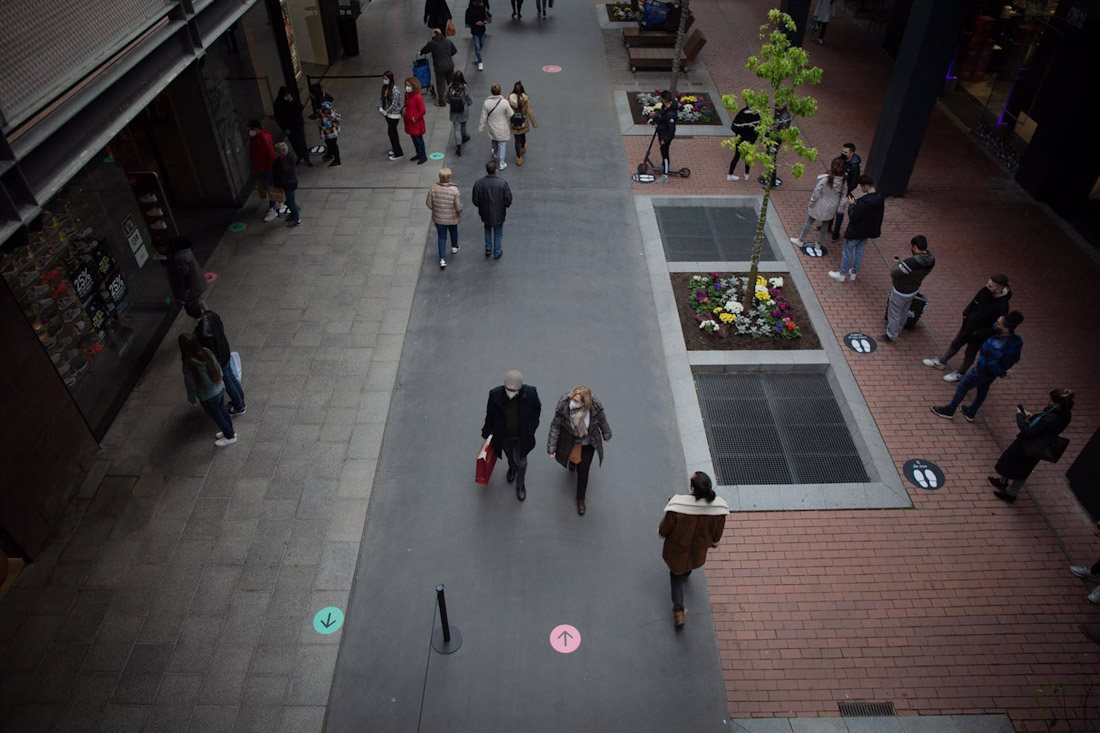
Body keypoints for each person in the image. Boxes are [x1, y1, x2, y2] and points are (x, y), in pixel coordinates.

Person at [659, 472, 728, 629]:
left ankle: (679, 611)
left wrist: (662, 532)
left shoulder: (677, 507)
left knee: (675, 575)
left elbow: (664, 530)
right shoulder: (718, 510)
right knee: (689, 564)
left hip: (677, 550)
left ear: (692, 488)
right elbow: (716, 537)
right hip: (698, 552)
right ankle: (686, 573)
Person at [931, 311, 1024, 421]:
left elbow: (991, 363)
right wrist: (1002, 371)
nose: (995, 324)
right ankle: (971, 412)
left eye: (999, 323)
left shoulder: (996, 345)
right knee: (982, 391)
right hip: (992, 374)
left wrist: (999, 372)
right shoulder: (1016, 341)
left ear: (1006, 328)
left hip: (982, 371)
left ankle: (950, 410)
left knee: (962, 386)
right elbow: (1014, 359)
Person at [989, 389, 1073, 504]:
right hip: (1038, 445)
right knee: (1018, 465)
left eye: (1051, 400)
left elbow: (1028, 431)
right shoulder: (1065, 415)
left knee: (1019, 467)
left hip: (1031, 445)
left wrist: (1020, 417)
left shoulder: (1049, 418)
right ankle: (1004, 483)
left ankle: (1011, 493)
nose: (1049, 401)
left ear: (1057, 403)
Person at [922, 275, 1011, 383]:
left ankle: (960, 373)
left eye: (990, 286)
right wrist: (965, 314)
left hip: (979, 335)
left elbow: (996, 326)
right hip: (967, 326)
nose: (987, 287)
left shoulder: (1002, 307)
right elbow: (974, 302)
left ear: (999, 289)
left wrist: (978, 333)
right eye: (988, 284)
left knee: (970, 353)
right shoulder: (985, 290)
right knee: (955, 343)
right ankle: (941, 362)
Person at [547, 387, 612, 516]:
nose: (573, 402)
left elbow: (602, 420)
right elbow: (555, 426)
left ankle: (580, 499)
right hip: (570, 439)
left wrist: (606, 434)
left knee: (583, 470)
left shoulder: (594, 406)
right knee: (572, 457)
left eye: (577, 401)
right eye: (573, 399)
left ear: (585, 403)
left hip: (588, 442)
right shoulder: (564, 405)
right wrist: (551, 447)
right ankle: (572, 463)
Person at [481, 370, 542, 501]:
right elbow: (490, 415)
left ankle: (520, 484)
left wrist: (531, 428)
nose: (511, 392)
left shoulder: (531, 394)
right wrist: (486, 432)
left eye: (514, 390)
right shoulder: (495, 395)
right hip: (504, 436)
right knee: (510, 455)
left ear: (520, 388)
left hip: (522, 436)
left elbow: (537, 409)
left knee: (522, 462)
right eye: (508, 389)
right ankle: (512, 468)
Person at [185, 301, 246, 416]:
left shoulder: (201, 333)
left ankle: (239, 406)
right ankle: (240, 400)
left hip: (220, 359)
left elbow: (210, 352)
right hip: (225, 350)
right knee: (231, 377)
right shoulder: (211, 315)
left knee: (228, 381)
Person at [179, 333, 236, 447]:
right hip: (219, 388)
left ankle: (229, 436)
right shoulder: (206, 352)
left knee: (217, 416)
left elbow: (191, 385)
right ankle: (230, 431)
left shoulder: (188, 364)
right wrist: (220, 381)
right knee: (223, 411)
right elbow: (218, 368)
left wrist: (192, 399)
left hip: (207, 396)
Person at [828, 174, 883, 282]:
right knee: (859, 252)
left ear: (865, 186)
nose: (861, 189)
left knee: (847, 252)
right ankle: (853, 272)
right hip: (867, 231)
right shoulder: (879, 198)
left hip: (855, 232)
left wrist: (852, 205)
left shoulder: (863, 202)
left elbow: (853, 217)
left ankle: (841, 274)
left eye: (861, 186)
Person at [883, 235, 935, 342]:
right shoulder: (931, 259)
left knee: (894, 313)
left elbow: (894, 273)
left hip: (900, 291)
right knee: (904, 310)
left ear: (915, 247)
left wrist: (897, 264)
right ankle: (899, 328)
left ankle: (891, 335)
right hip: (914, 289)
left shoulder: (912, 262)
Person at [789, 157, 846, 255]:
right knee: (825, 224)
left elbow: (816, 192)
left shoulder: (825, 179)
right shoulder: (843, 181)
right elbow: (843, 195)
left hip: (820, 203)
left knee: (810, 220)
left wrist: (811, 203)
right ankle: (818, 244)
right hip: (832, 206)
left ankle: (801, 240)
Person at [472, 160, 512, 259]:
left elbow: (475, 200)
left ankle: (488, 248)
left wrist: (481, 205)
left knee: (487, 227)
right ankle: (497, 252)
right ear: (496, 170)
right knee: (498, 232)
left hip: (485, 212)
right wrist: (504, 206)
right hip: (499, 212)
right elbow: (508, 199)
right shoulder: (503, 183)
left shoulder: (479, 183)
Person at [426, 167, 462, 269]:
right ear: (449, 177)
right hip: (452, 217)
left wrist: (435, 209)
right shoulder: (454, 190)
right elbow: (458, 207)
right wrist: (459, 211)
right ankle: (454, 246)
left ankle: (442, 259)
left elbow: (428, 203)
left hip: (439, 218)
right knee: (453, 231)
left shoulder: (433, 188)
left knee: (441, 237)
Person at [829, 143, 862, 241]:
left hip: (844, 192)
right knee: (831, 208)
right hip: (836, 190)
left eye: (845, 152)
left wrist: (846, 190)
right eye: (842, 151)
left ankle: (836, 232)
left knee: (839, 212)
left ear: (851, 153)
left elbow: (854, 182)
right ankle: (828, 225)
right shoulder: (841, 160)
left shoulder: (854, 167)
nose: (843, 154)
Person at [247, 120, 279, 221]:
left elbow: (271, 154)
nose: (250, 131)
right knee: (268, 187)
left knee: (270, 187)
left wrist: (268, 167)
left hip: (266, 168)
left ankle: (272, 208)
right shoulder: (254, 138)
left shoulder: (263, 139)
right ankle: (275, 203)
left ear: (257, 129)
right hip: (261, 167)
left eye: (252, 129)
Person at [273, 87, 312, 167]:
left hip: (298, 124)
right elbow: (279, 118)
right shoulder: (278, 104)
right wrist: (285, 128)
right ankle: (300, 156)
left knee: (302, 142)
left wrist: (292, 101)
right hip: (289, 127)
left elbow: (300, 108)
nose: (288, 97)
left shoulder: (293, 101)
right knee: (294, 142)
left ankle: (306, 158)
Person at [420, 29, 457, 107]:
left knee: (441, 84)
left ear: (434, 34)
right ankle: (453, 97)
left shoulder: (432, 43)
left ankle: (442, 101)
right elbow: (454, 50)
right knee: (450, 82)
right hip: (450, 65)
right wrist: (448, 56)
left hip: (439, 67)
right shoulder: (447, 41)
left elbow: (425, 50)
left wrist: (421, 52)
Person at [757, 104, 791, 188]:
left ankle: (771, 182)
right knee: (771, 158)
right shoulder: (780, 113)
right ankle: (770, 178)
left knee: (771, 159)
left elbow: (781, 131)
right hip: (773, 140)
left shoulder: (784, 116)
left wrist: (772, 139)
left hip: (774, 141)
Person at [479, 83, 512, 170]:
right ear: (500, 91)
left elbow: (483, 116)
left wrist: (481, 126)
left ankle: (495, 152)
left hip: (492, 126)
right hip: (502, 127)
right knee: (502, 144)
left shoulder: (487, 102)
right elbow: (510, 114)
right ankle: (501, 163)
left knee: (494, 139)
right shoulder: (504, 102)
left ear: (491, 92)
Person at [166, 236, 206, 307]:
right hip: (197, 284)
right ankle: (206, 311)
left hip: (192, 289)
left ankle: (204, 312)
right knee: (199, 301)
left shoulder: (180, 258)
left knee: (194, 305)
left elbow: (184, 279)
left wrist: (184, 295)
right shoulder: (186, 252)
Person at [647, 90, 677, 183]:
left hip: (665, 136)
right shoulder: (665, 107)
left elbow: (672, 130)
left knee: (665, 154)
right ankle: (664, 166)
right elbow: (660, 113)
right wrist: (653, 119)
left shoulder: (670, 114)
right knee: (662, 152)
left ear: (664, 100)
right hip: (661, 133)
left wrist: (665, 139)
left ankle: (665, 175)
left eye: (661, 98)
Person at [507, 81, 538, 166]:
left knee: (517, 140)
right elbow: (529, 111)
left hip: (514, 121)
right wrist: (534, 123)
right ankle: (523, 146)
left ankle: (519, 158)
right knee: (523, 134)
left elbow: (506, 109)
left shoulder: (509, 98)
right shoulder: (525, 99)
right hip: (523, 121)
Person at [726, 105, 760, 181]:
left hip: (741, 139)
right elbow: (759, 128)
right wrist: (754, 137)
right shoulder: (757, 114)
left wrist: (739, 134)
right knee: (748, 156)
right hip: (751, 139)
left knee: (737, 156)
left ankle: (730, 174)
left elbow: (734, 127)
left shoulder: (742, 113)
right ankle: (746, 174)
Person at [272, 142, 301, 228]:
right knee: (289, 201)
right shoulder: (289, 157)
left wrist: (277, 186)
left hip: (288, 185)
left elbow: (282, 178)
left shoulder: (282, 165)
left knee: (290, 202)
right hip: (291, 182)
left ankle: (296, 219)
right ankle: (294, 214)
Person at [378, 71, 405, 161]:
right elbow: (381, 98)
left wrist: (386, 112)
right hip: (388, 114)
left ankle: (398, 152)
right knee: (391, 132)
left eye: (386, 79)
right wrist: (381, 108)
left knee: (392, 133)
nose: (384, 80)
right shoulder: (385, 88)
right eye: (383, 78)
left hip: (394, 115)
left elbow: (394, 103)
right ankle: (395, 149)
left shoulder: (395, 90)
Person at [447, 71, 474, 156]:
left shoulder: (450, 87)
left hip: (454, 111)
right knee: (463, 124)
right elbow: (470, 100)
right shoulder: (464, 88)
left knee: (456, 128)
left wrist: (452, 103)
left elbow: (445, 98)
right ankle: (464, 136)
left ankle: (458, 147)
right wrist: (466, 105)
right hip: (463, 110)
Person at [403, 77, 428, 164]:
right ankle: (419, 154)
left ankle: (423, 156)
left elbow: (422, 111)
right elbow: (406, 105)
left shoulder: (418, 97)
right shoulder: (407, 95)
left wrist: (414, 118)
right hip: (410, 122)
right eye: (406, 85)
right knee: (414, 140)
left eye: (409, 85)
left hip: (416, 123)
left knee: (419, 140)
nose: (407, 87)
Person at [466, 0, 489, 71]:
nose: (478, 3)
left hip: (482, 30)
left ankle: (477, 53)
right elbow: (467, 21)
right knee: (477, 45)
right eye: (477, 2)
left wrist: (483, 22)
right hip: (475, 30)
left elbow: (485, 18)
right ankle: (480, 61)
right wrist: (475, 23)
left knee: (481, 44)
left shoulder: (481, 8)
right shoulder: (469, 10)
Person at [318, 101, 341, 167]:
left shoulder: (327, 108)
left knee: (332, 144)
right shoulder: (324, 106)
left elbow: (334, 118)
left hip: (330, 131)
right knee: (328, 142)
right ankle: (330, 154)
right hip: (328, 130)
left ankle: (337, 160)